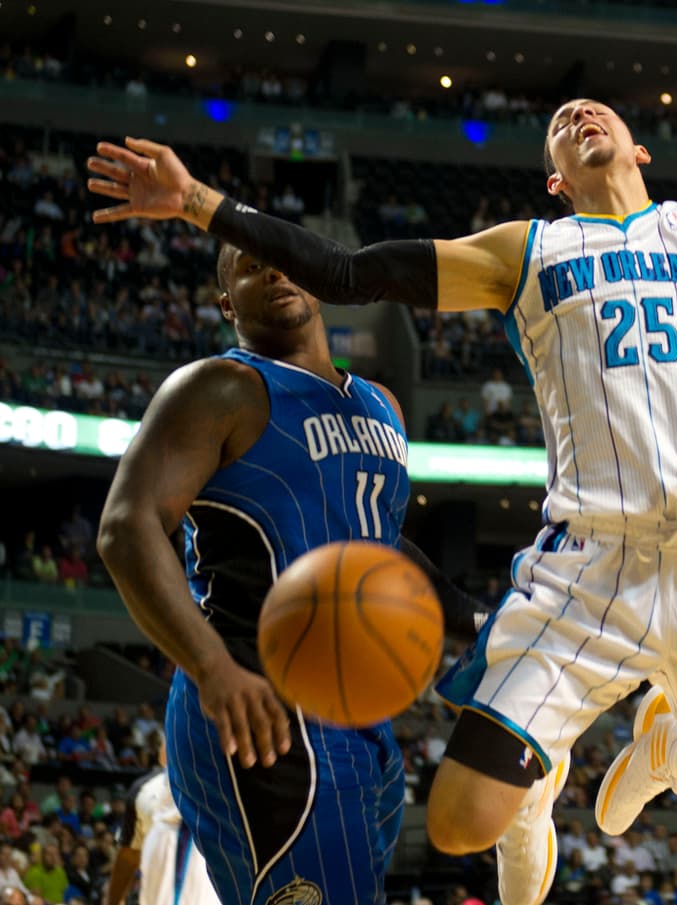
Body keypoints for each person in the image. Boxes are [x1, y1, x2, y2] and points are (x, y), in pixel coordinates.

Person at [86, 99, 677, 905]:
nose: (580, 116)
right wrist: (196, 202)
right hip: (592, 558)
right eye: (560, 122)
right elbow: (349, 271)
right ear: (555, 180)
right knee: (457, 824)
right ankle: (546, 772)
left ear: (639, 149)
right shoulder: (527, 251)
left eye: (595, 110)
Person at [88, 235, 491, 904]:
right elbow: (126, 527)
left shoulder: (382, 405)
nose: (275, 272)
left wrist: (478, 620)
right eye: (251, 267)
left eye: (285, 261)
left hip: (361, 712)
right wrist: (211, 667)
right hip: (259, 706)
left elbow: (379, 544)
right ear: (227, 303)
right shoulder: (220, 387)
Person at [106, 753, 221, 905]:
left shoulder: (144, 788)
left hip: (178, 840)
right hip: (181, 835)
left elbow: (128, 856)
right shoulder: (148, 790)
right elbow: (128, 857)